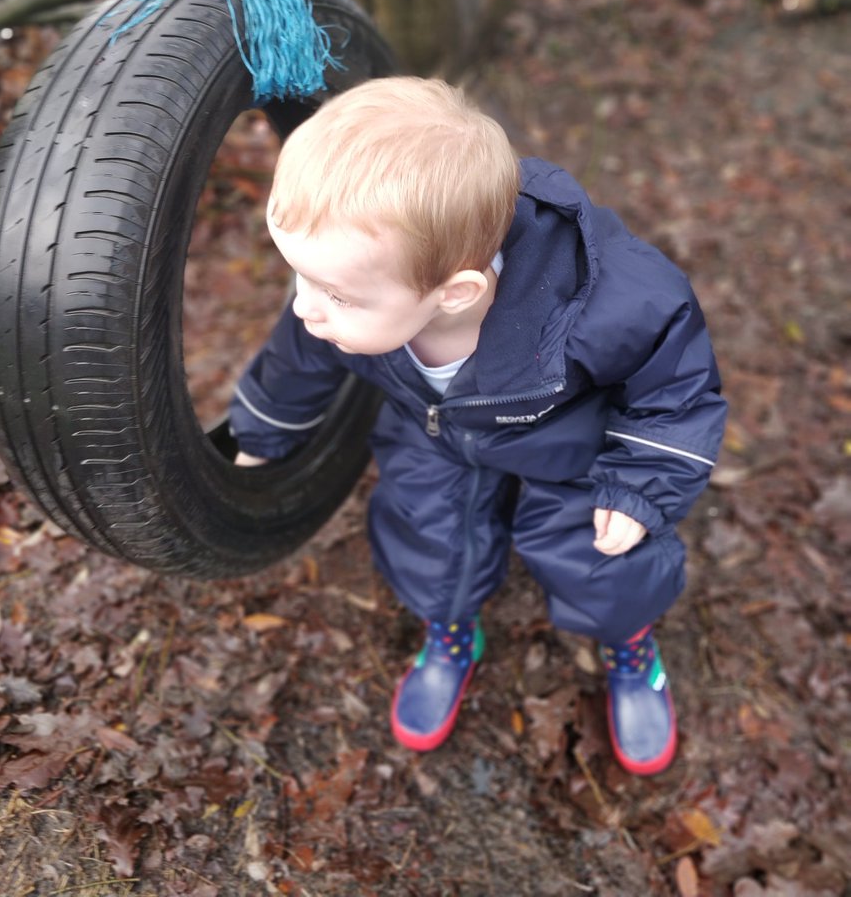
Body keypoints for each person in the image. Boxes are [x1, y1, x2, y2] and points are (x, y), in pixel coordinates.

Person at [229, 77, 727, 774]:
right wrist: (258, 440)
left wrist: (642, 486)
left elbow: (677, 388)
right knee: (425, 526)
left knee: (600, 554)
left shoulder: (614, 303)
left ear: (453, 293)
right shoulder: (341, 297)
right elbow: (295, 362)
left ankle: (629, 640)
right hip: (433, 431)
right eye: (300, 279)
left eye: (333, 293)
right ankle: (451, 628)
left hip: (565, 439)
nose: (307, 307)